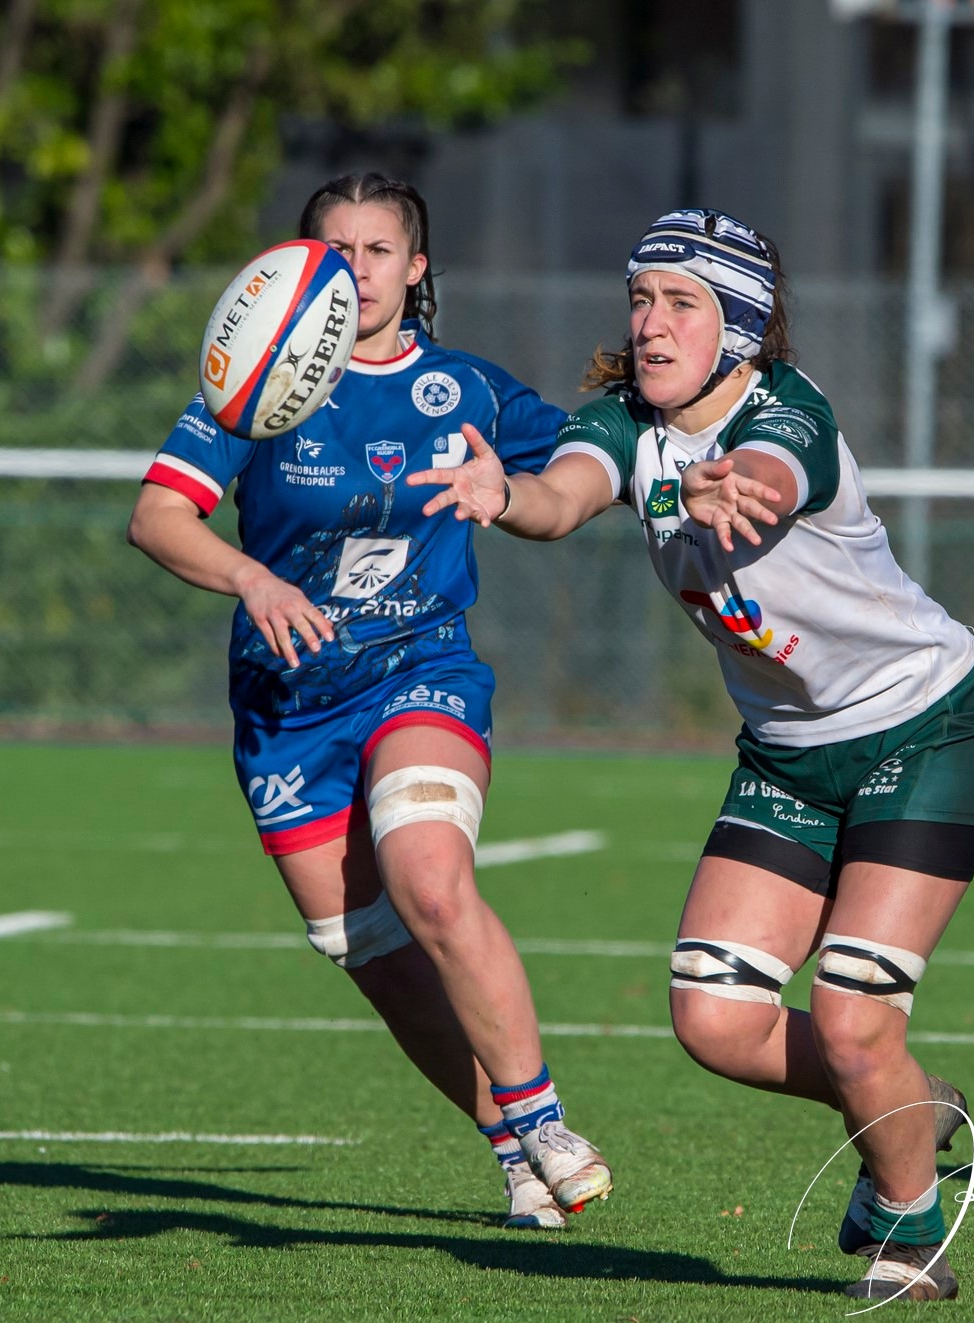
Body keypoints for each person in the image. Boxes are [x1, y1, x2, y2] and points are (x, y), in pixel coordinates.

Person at [410, 208, 974, 1299]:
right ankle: (908, 1108)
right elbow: (564, 498)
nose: (648, 323)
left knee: (849, 1018)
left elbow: (762, 489)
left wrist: (702, 489)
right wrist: (508, 497)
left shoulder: (789, 413)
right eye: (639, 298)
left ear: (736, 324)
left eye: (679, 302)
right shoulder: (623, 423)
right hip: (786, 756)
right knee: (713, 1021)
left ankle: (908, 1234)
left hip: (926, 728)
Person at [128, 172, 613, 1228]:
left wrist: (673, 464)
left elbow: (587, 458)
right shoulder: (253, 389)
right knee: (375, 959)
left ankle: (543, 1115)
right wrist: (251, 577)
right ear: (295, 266)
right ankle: (510, 1148)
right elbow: (158, 517)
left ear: (416, 268)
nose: (356, 268)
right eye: (333, 248)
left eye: (379, 249)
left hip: (419, 669)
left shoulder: (468, 390)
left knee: (429, 879)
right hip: (287, 709)